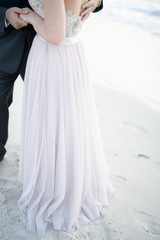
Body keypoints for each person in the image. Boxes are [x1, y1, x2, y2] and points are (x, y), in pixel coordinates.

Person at [18, 0, 113, 234]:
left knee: (53, 122)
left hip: (54, 57)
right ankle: (68, 179)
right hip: (72, 55)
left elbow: (55, 35)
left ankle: (55, 186)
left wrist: (30, 16)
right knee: (68, 122)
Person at [0, 0, 102, 162]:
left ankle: (56, 162)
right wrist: (3, 15)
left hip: (48, 51)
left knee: (55, 110)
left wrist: (97, 1)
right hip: (5, 43)